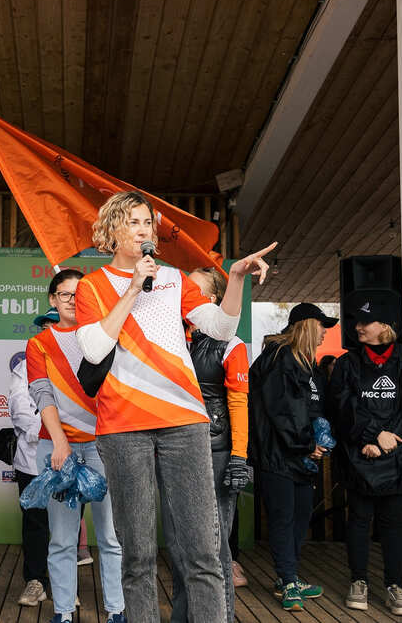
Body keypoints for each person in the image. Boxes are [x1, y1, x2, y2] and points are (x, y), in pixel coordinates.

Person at [73, 191, 274, 623]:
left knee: (203, 550)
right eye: (132, 222)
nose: (144, 230)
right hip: (123, 427)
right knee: (139, 555)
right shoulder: (91, 286)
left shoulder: (174, 279)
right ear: (110, 232)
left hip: (185, 423)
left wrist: (235, 279)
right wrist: (130, 291)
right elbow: (92, 350)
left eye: (148, 222)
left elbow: (220, 327)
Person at [28, 269, 126, 623]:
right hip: (59, 449)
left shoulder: (105, 337)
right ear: (52, 299)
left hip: (103, 447)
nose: (71, 300)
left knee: (111, 537)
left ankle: (117, 610)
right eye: (64, 294)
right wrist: (60, 443)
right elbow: (42, 394)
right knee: (63, 540)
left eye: (77, 294)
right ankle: (64, 612)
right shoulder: (40, 342)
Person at [164, 266, 251, 623]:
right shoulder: (174, 339)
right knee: (178, 549)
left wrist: (239, 457)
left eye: (194, 291)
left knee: (214, 551)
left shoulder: (232, 344)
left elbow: (239, 403)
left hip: (216, 454)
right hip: (175, 450)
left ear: (212, 300)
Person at [249, 303, 335, 612]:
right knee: (283, 519)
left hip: (301, 455)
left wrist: (319, 438)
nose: (326, 331)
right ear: (307, 325)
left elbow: (311, 409)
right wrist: (305, 444)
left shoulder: (306, 364)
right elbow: (281, 410)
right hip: (279, 456)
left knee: (300, 517)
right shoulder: (279, 357)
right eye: (322, 325)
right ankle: (287, 581)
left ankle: (290, 576)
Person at [326, 296, 402, 616]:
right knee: (359, 521)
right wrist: (373, 435)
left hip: (396, 454)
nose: (357, 327)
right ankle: (358, 581)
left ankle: (394, 585)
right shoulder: (348, 362)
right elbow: (342, 406)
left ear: (385, 326)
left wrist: (391, 439)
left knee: (393, 523)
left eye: (365, 322)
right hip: (360, 455)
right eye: (357, 321)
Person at [9, 307, 57, 607]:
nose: (50, 330)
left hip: (71, 455)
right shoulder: (25, 365)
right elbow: (19, 407)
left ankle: (66, 586)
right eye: (45, 325)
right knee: (35, 522)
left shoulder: (80, 360)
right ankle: (35, 581)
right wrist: (52, 430)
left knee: (65, 523)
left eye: (56, 324)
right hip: (32, 457)